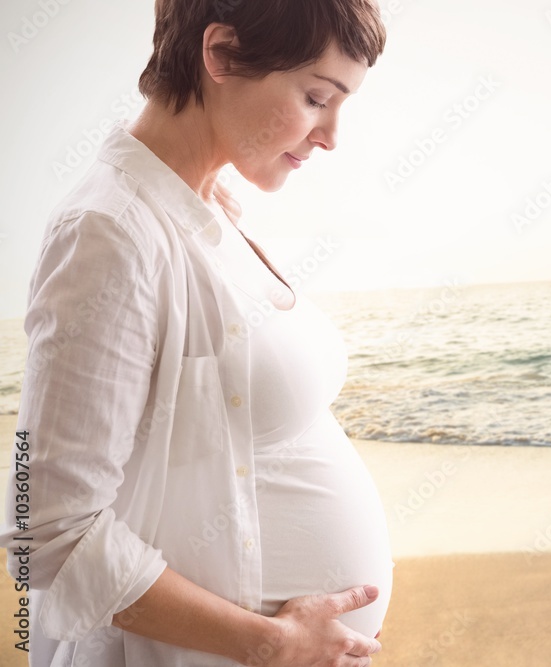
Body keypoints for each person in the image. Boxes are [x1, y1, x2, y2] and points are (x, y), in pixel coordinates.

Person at [1, 0, 393, 665]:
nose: (331, 134)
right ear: (220, 54)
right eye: (316, 97)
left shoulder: (207, 203)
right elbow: (45, 531)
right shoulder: (109, 232)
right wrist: (274, 643)